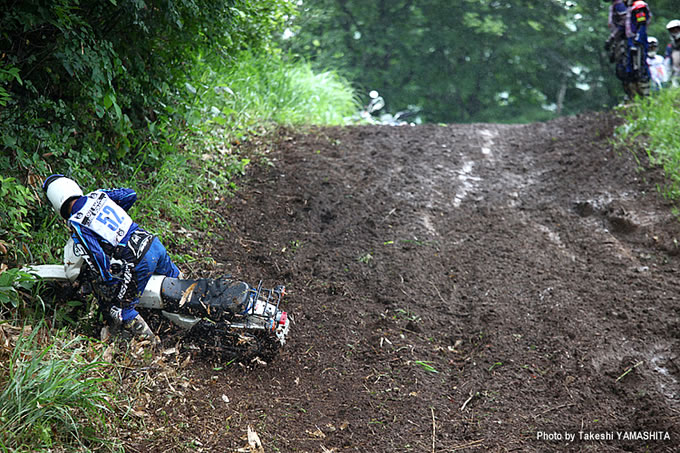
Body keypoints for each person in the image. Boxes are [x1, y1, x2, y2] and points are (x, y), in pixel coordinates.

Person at [42, 174, 181, 343]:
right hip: (152, 242)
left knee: (121, 310)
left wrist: (108, 281)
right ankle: (193, 315)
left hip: (138, 259)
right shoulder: (99, 195)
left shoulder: (77, 222)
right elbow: (130, 194)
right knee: (179, 284)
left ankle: (155, 348)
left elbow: (98, 257)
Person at [623, 0, 652, 97]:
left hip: (638, 39)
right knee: (630, 67)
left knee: (640, 65)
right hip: (630, 39)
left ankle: (646, 93)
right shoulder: (629, 8)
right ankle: (634, 94)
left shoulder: (639, 6)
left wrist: (638, 38)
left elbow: (642, 24)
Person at [605, 0, 631, 96]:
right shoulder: (614, 5)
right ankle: (629, 93)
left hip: (623, 39)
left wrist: (612, 37)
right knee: (620, 67)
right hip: (619, 39)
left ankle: (632, 92)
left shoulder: (619, 4)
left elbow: (624, 21)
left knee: (623, 67)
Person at [664, 19, 680, 86]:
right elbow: (667, 63)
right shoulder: (670, 46)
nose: (674, 32)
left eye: (676, 30)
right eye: (672, 30)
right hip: (676, 75)